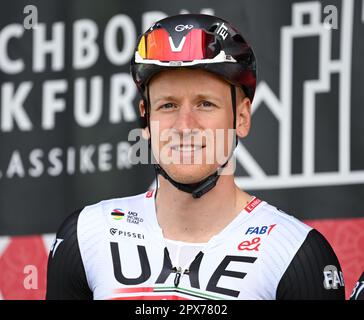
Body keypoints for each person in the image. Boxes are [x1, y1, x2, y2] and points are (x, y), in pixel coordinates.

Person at [46, 13, 345, 300]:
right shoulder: (85, 236)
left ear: (241, 117)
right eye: (167, 106)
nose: (184, 126)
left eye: (205, 104)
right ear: (146, 119)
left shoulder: (297, 253)